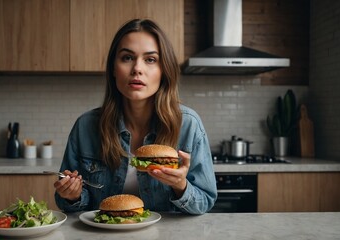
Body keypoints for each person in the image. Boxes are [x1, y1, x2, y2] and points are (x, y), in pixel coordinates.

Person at [53, 18, 217, 215]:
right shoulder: (86, 126)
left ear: (164, 70)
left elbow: (205, 201)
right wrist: (72, 195)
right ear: (114, 68)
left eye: (150, 59)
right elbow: (66, 202)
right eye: (127, 58)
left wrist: (181, 185)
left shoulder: (189, 124)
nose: (137, 69)